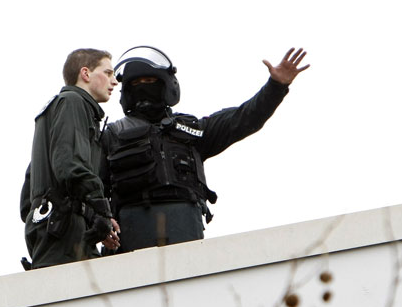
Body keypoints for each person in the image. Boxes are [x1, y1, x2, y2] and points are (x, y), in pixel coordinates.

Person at [100, 45, 309, 254]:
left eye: (150, 81)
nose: (143, 88)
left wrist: (276, 86)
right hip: (130, 235)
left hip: (184, 230)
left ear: (166, 85)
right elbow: (90, 185)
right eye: (136, 83)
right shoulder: (112, 136)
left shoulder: (192, 131)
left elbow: (244, 118)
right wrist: (101, 221)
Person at [20, 48, 121, 270]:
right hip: (63, 231)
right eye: (108, 72)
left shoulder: (55, 110)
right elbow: (70, 166)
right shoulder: (73, 102)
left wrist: (92, 218)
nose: (115, 81)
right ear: (86, 74)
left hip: (53, 229)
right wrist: (102, 210)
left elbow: (27, 199)